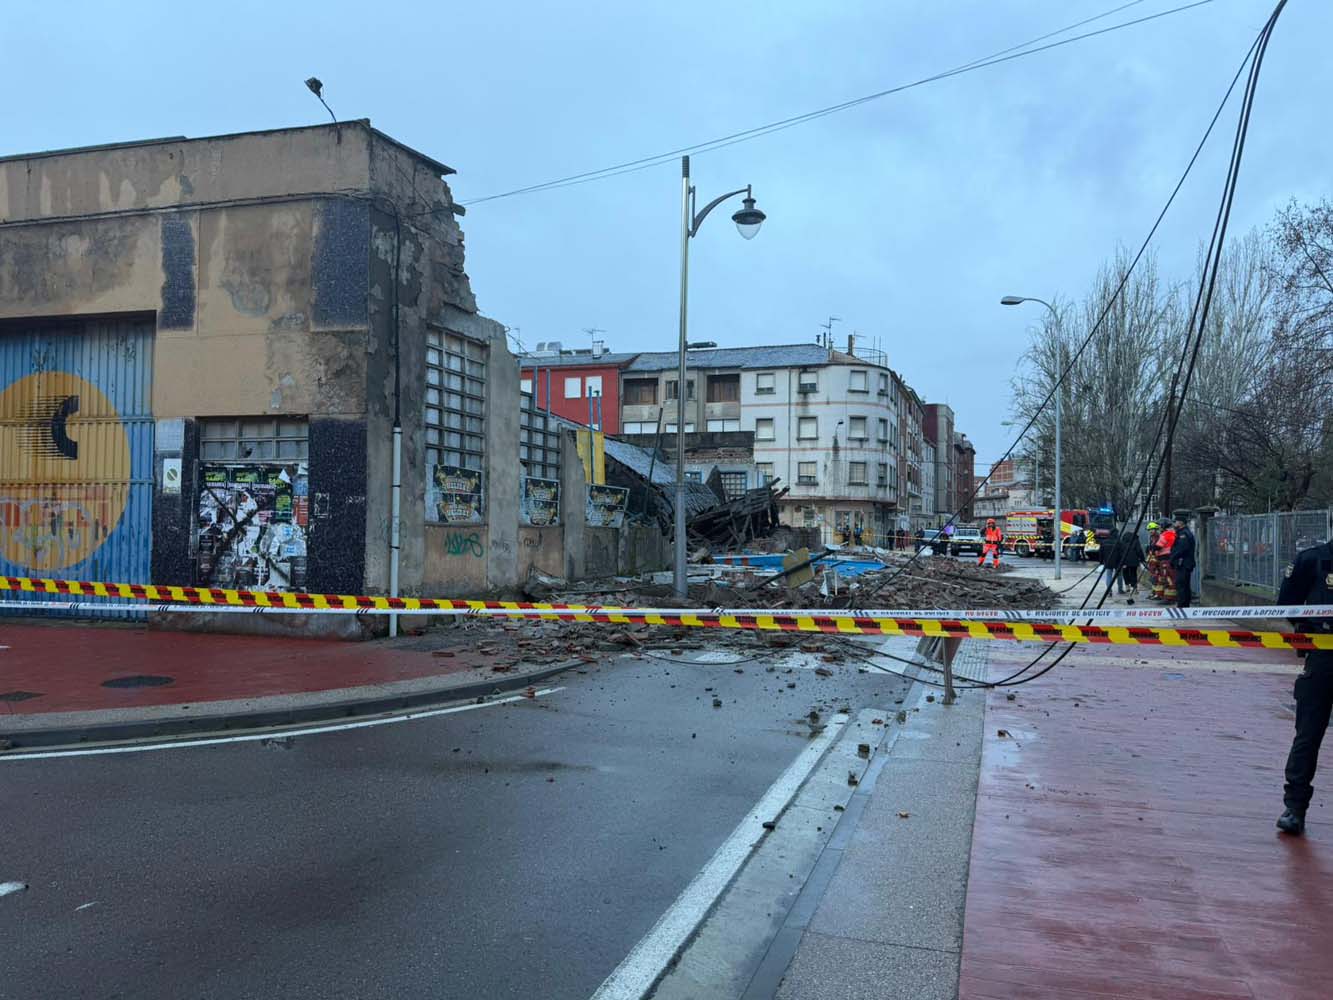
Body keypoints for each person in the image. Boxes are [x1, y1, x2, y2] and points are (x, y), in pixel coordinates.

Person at [1275, 539, 1333, 836]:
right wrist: (1309, 630)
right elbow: (1287, 603)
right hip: (1324, 654)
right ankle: (1295, 808)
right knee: (1308, 733)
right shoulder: (1314, 559)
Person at [1169, 514, 1196, 609]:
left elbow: (1182, 549)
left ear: (1181, 523)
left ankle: (1182, 607)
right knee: (1184, 585)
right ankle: (1184, 606)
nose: (1174, 523)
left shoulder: (1183, 534)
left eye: (1176, 521)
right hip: (1184, 563)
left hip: (1184, 563)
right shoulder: (1183, 532)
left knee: (1181, 585)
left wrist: (1172, 558)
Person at [1098, 530, 1123, 598]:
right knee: (1119, 575)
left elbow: (1101, 553)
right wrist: (1122, 562)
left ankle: (1109, 591)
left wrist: (1101, 562)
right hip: (1117, 562)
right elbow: (1122, 553)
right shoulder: (1118, 542)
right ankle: (1120, 589)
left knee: (1109, 575)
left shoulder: (1104, 542)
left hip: (1108, 561)